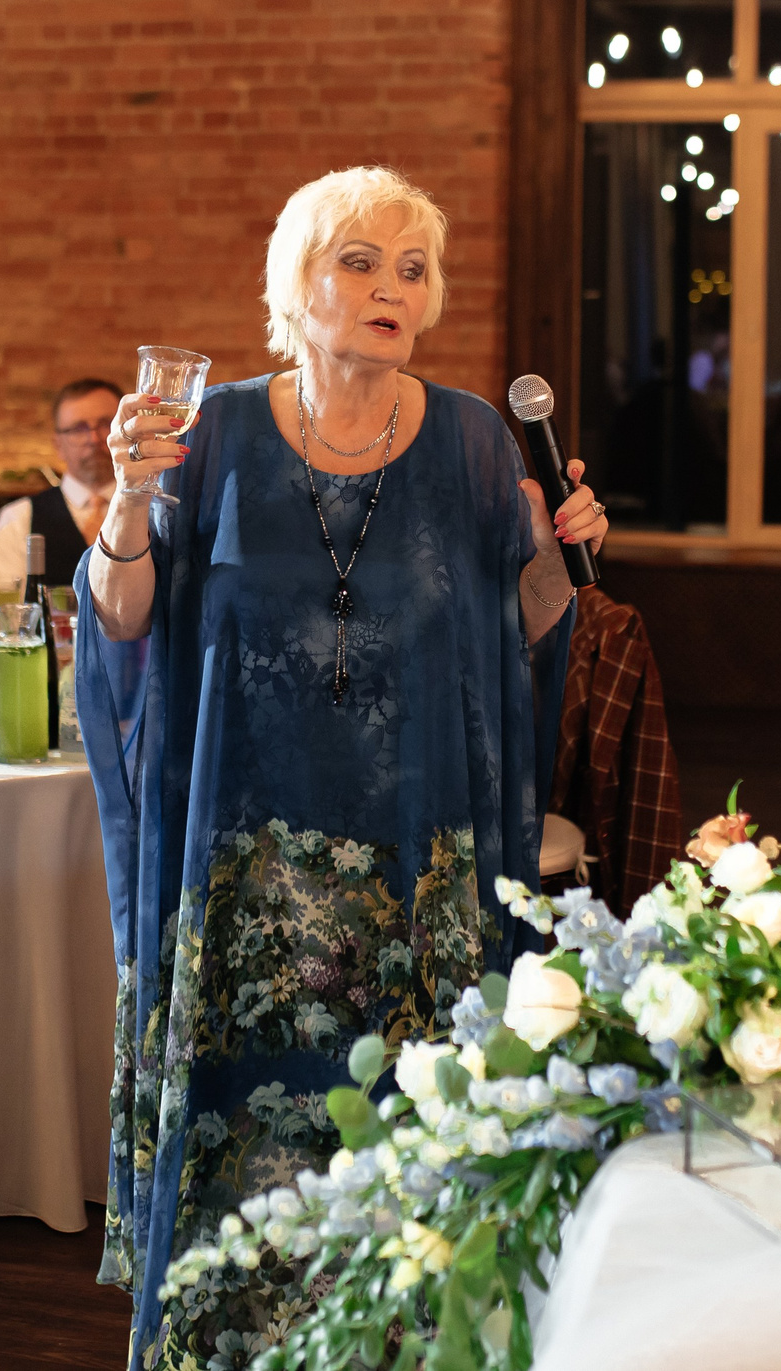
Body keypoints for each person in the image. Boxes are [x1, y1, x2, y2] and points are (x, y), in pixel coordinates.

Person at [76, 166, 609, 1368]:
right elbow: (118, 620)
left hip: (414, 864)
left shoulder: (477, 437)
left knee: (406, 1136)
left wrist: (552, 552)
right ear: (295, 286)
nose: (389, 289)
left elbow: (514, 632)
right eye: (358, 262)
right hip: (244, 862)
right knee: (247, 1141)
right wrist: (124, 500)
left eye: (411, 269)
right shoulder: (204, 435)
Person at [0, 377, 121, 596]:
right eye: (78, 429)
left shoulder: (155, 511)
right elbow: (10, 616)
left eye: (106, 424)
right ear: (58, 444)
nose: (94, 438)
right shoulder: (18, 518)